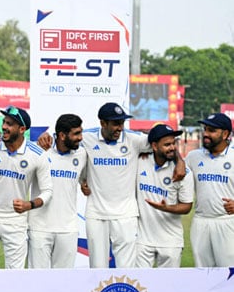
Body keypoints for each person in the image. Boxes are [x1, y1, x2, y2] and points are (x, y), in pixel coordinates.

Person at [81, 102, 185, 268]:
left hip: (126, 214)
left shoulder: (134, 139)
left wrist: (179, 161)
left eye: (122, 123)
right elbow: (64, 145)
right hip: (96, 213)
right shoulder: (86, 138)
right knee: (97, 268)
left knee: (126, 269)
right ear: (103, 123)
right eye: (115, 124)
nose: (120, 128)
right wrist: (82, 180)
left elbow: (164, 143)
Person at [0, 106, 52, 269]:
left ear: (22, 129)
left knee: (15, 273)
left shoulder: (37, 154)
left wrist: (29, 204)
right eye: (4, 122)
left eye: (10, 124)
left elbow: (47, 191)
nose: (4, 127)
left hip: (15, 220)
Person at [28, 114, 87, 268]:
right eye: (76, 134)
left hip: (68, 229)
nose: (80, 138)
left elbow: (85, 180)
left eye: (80, 133)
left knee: (63, 282)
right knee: (37, 281)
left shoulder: (82, 154)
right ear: (61, 135)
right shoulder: (40, 149)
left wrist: (85, 186)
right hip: (40, 228)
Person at [136, 124, 194, 268]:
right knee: (139, 285)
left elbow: (187, 206)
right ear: (154, 146)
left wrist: (166, 208)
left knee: (168, 288)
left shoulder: (183, 172)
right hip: (142, 240)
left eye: (173, 143)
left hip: (170, 242)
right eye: (167, 144)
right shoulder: (139, 161)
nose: (172, 148)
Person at [185, 113, 234, 266]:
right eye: (205, 129)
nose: (206, 134)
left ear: (225, 134)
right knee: (203, 274)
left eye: (212, 130)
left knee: (228, 274)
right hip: (200, 221)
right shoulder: (193, 157)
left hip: (227, 221)